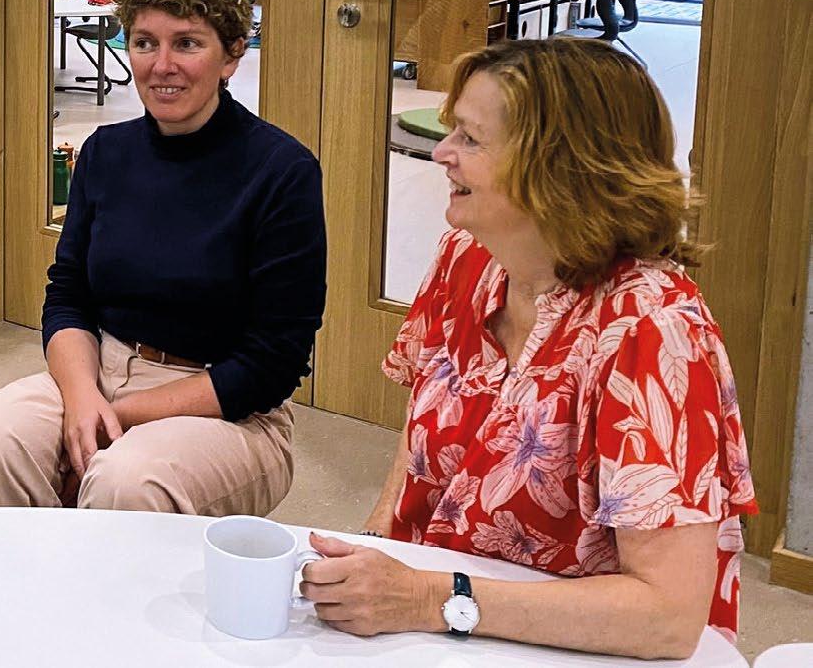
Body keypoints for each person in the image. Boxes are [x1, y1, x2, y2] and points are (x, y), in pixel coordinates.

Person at [301, 38, 756, 659]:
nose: (441, 153)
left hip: (571, 644)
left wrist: (427, 598)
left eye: (470, 138)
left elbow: (668, 617)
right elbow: (423, 427)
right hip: (443, 614)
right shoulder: (470, 257)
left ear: (561, 167)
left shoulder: (652, 331)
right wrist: (379, 541)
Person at [0, 0, 325, 516]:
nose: (162, 66)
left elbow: (271, 364)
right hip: (101, 369)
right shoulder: (105, 153)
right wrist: (82, 398)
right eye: (144, 43)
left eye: (187, 44)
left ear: (232, 55)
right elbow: (68, 297)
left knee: (127, 482)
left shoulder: (282, 171)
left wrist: (115, 419)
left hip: (227, 405)